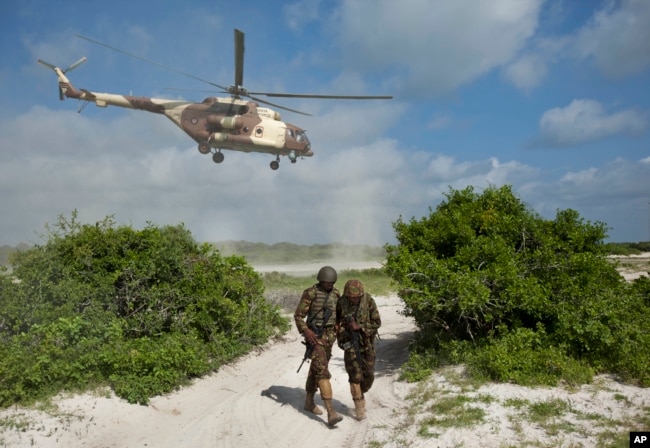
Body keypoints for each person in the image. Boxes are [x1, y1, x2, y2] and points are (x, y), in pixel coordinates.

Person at [294, 265, 343, 426]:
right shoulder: (311, 293)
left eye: (332, 282)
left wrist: (337, 326)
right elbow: (299, 316)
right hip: (315, 337)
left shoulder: (336, 294)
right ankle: (331, 412)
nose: (330, 285)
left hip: (330, 337)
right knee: (322, 372)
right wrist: (306, 331)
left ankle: (309, 401)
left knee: (316, 368)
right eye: (327, 282)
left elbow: (339, 314)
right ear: (320, 280)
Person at [336, 279, 381, 421]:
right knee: (354, 375)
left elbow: (377, 323)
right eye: (351, 297)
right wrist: (341, 330)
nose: (354, 299)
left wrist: (360, 326)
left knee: (369, 374)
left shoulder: (368, 301)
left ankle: (361, 392)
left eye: (357, 297)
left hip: (366, 343)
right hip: (349, 343)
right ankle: (359, 405)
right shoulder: (341, 302)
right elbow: (336, 321)